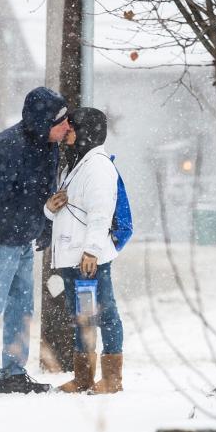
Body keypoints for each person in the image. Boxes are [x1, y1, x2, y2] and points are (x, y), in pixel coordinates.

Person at [0, 86, 72, 399]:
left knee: (22, 308)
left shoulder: (46, 147)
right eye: (61, 122)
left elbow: (42, 193)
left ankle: (13, 374)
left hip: (24, 240)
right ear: (43, 121)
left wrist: (44, 227)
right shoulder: (6, 147)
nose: (67, 127)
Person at [46, 107, 131, 394]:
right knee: (83, 316)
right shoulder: (76, 164)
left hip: (89, 260)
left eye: (72, 126)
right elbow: (68, 210)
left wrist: (92, 250)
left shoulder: (98, 166)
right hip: (76, 258)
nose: (66, 131)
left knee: (105, 313)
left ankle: (112, 379)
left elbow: (100, 212)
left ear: (87, 132)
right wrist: (49, 210)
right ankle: (84, 377)